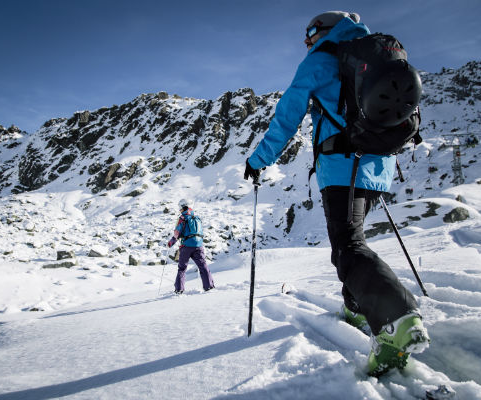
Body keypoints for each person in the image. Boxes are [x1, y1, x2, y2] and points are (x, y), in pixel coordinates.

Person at [243, 11, 429, 376]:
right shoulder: (378, 55)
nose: (306, 42)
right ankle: (356, 307)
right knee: (349, 242)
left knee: (348, 246)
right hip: (378, 168)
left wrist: (258, 160)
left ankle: (397, 320)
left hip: (342, 165)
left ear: (321, 31)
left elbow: (287, 115)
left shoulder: (320, 60)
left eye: (309, 34)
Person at [167, 199, 215, 294]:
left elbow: (177, 233)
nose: (179, 210)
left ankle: (179, 289)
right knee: (203, 266)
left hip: (186, 246)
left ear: (184, 207)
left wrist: (171, 243)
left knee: (182, 268)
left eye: (180, 208)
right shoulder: (197, 218)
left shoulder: (182, 218)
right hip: (198, 246)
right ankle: (209, 286)